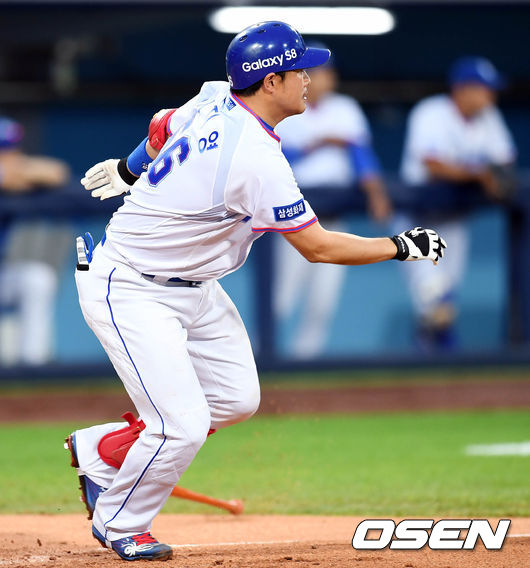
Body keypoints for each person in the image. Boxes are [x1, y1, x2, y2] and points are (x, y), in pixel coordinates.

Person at [66, 21, 445, 562]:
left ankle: (104, 450)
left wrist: (131, 169)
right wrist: (401, 246)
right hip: (131, 286)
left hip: (193, 283)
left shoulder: (216, 95)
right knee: (181, 425)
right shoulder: (256, 159)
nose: (309, 78)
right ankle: (121, 521)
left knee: (235, 398)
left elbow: (163, 125)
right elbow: (318, 247)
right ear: (271, 82)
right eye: (300, 69)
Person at [274, 50, 392, 358]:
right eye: (319, 73)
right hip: (293, 217)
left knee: (322, 302)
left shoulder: (345, 108)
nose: (327, 79)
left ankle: (305, 363)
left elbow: (362, 156)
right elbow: (273, 158)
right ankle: (260, 358)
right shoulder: (284, 108)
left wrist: (376, 194)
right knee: (281, 299)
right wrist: (318, 143)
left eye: (329, 73)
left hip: (333, 216)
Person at [396, 56, 516, 350]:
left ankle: (430, 354)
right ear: (462, 89)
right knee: (435, 295)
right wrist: (480, 173)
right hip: (417, 217)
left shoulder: (489, 118)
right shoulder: (431, 112)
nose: (490, 96)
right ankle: (438, 352)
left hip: (454, 218)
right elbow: (432, 165)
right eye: (484, 88)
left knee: (445, 298)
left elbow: (505, 161)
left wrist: (493, 174)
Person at [0, 116, 70, 365]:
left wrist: (13, 172)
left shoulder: (16, 171)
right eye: (3, 149)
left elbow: (56, 172)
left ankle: (33, 367)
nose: (9, 155)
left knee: (37, 279)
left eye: (10, 148)